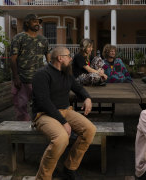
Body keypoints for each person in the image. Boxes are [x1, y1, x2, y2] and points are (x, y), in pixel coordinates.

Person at [32, 47, 96, 180]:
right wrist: (63, 122)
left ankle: (70, 167)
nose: (71, 58)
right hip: (44, 114)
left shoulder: (66, 73)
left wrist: (87, 98)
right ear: (60, 58)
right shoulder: (42, 74)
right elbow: (44, 102)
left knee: (90, 130)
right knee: (61, 138)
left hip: (66, 111)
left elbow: (78, 88)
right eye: (68, 56)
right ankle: (43, 177)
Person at [10, 14, 51, 121]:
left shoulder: (43, 40)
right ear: (27, 23)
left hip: (39, 80)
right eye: (34, 21)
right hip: (22, 80)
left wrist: (50, 75)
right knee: (21, 108)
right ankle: (22, 133)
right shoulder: (18, 38)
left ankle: (39, 127)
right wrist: (16, 77)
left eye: (38, 22)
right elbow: (13, 59)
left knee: (41, 107)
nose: (37, 23)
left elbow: (49, 58)